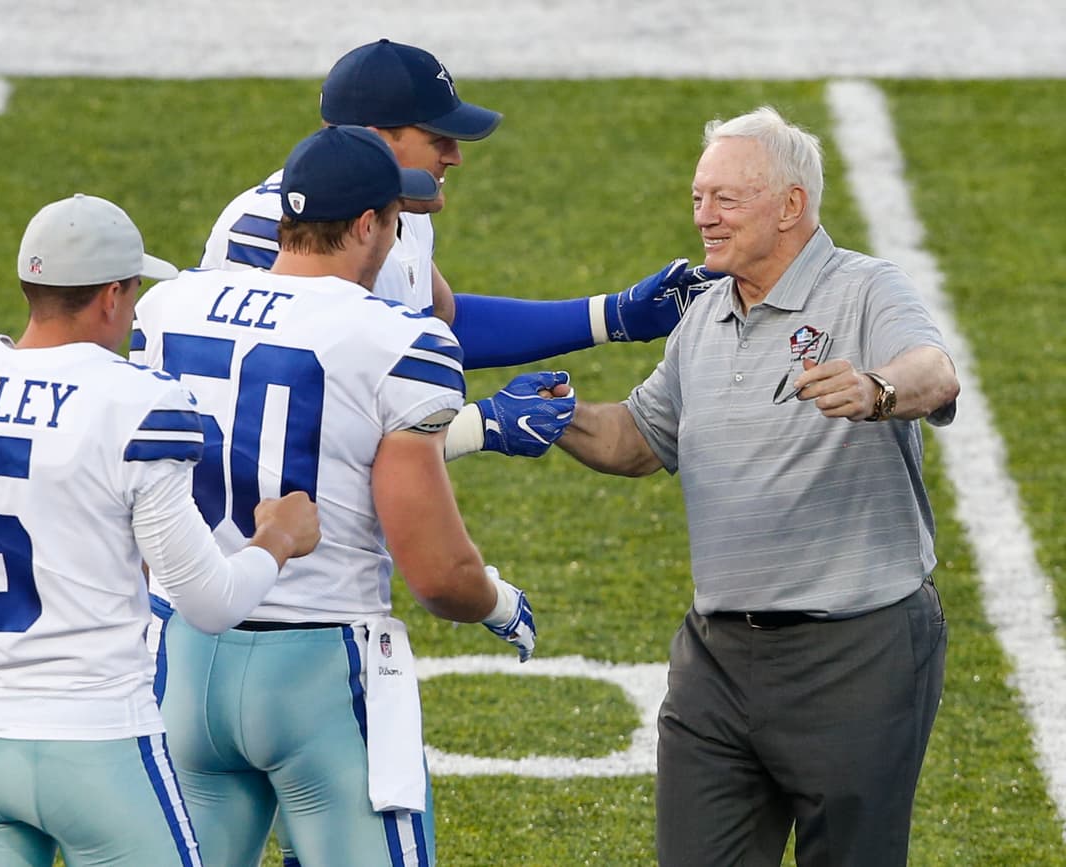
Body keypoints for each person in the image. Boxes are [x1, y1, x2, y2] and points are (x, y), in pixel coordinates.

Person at [0, 193, 320, 866]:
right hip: (100, 751)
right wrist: (276, 539)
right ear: (110, 296)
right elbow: (210, 602)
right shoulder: (135, 401)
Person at [549, 106, 960, 866]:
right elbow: (639, 439)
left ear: (791, 204)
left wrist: (875, 388)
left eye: (725, 199)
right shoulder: (704, 315)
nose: (703, 216)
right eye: (699, 197)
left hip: (855, 651)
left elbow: (934, 372)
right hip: (717, 658)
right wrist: (555, 418)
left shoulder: (866, 287)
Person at [131, 125, 550, 867]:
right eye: (393, 220)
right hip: (321, 670)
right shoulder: (397, 340)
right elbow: (437, 573)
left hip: (183, 657)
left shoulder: (166, 308)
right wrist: (495, 601)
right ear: (366, 225)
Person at [201, 37, 718, 464]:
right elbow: (298, 428)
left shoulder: (395, 212)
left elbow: (441, 321)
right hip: (262, 550)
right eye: (438, 137)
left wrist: (614, 315)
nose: (455, 156)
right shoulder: (275, 232)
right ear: (376, 140)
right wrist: (481, 426)